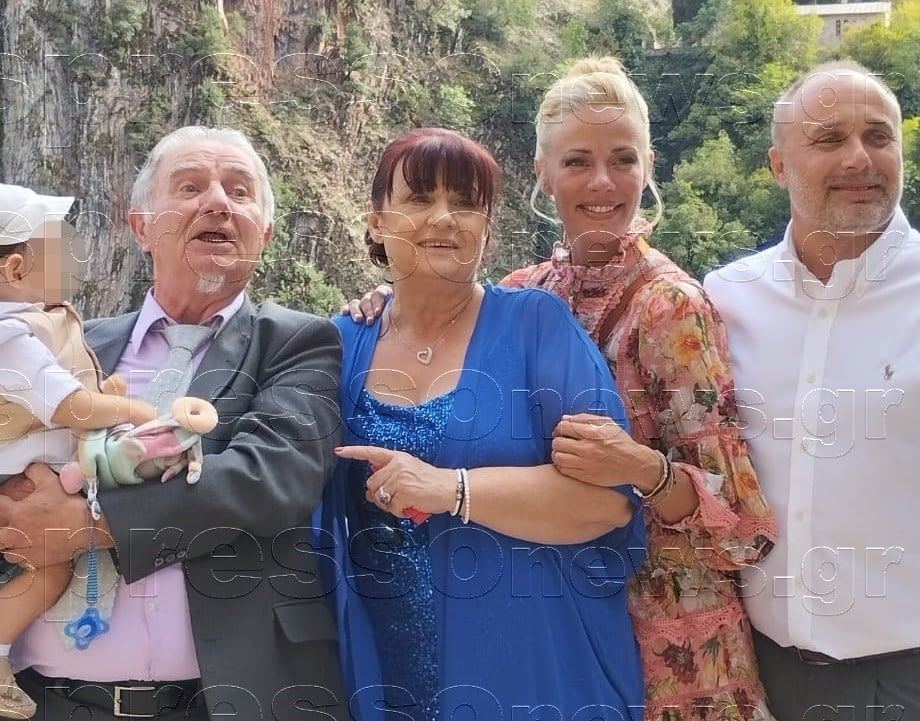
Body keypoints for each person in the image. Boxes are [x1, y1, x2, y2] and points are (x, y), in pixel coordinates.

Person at [345, 59, 778, 721]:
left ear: (649, 167)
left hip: (673, 644)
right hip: (545, 621)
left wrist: (643, 469)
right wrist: (387, 296)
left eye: (622, 159)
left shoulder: (671, 308)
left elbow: (743, 529)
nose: (602, 182)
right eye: (578, 161)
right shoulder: (528, 290)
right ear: (543, 174)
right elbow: (445, 299)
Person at [0, 126, 347, 721]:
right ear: (140, 227)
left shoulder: (297, 343)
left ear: (264, 232)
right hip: (42, 701)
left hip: (223, 702)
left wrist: (93, 522)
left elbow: (274, 475)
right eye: (190, 187)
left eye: (239, 192)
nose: (218, 202)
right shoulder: (60, 349)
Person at [323, 127, 647, 721]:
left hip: (532, 667)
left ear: (488, 228)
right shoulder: (341, 343)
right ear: (377, 222)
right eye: (420, 198)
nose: (444, 218)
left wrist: (451, 489)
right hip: (381, 674)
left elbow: (608, 503)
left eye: (466, 203)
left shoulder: (536, 327)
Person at [0, 183, 219, 718]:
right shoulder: (3, 336)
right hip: (16, 472)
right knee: (46, 568)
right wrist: (136, 412)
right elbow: (72, 407)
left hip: (20, 464)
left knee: (12, 570)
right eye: (60, 250)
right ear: (17, 267)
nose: (75, 261)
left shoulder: (1, 325)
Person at [704, 60, 920, 720]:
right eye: (829, 139)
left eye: (878, 137)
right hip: (760, 671)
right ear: (778, 165)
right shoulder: (726, 298)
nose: (859, 158)